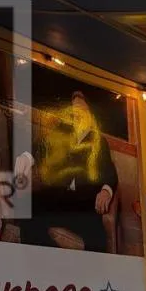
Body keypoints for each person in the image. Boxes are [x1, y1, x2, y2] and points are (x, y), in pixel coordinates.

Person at [14, 91, 118, 252]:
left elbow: (109, 170)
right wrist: (27, 157)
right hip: (59, 198)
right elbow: (42, 145)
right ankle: (41, 256)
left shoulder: (99, 141)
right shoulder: (62, 131)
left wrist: (106, 190)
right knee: (29, 212)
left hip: (84, 206)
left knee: (97, 241)